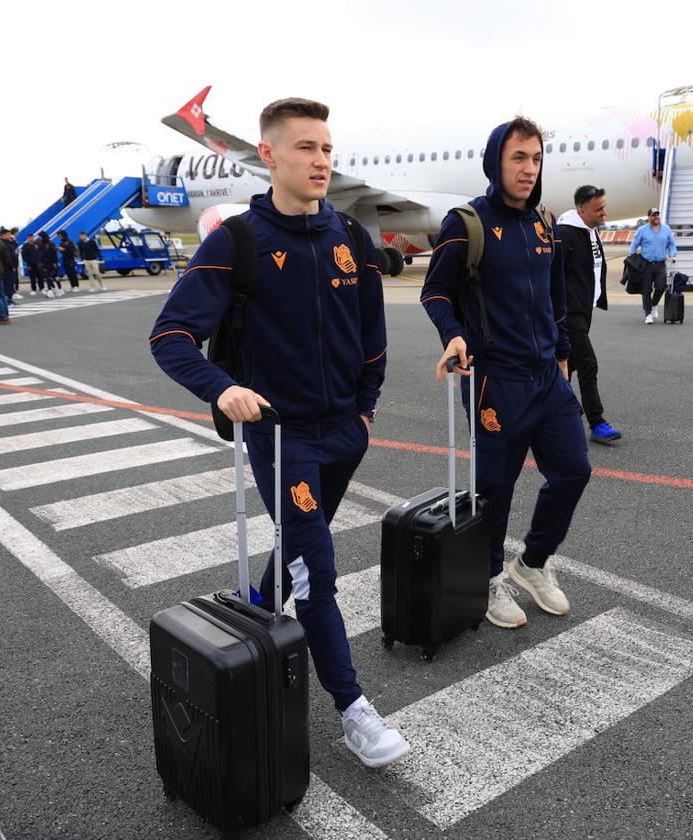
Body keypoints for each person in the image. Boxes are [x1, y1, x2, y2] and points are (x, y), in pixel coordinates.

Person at [149, 96, 409, 769]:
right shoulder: (236, 241)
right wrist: (223, 388)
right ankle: (353, 710)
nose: (321, 160)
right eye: (305, 148)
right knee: (318, 570)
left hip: (345, 435)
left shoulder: (353, 238)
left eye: (327, 148)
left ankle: (257, 608)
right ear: (268, 155)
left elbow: (374, 341)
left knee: (300, 549)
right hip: (281, 438)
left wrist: (365, 412)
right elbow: (171, 335)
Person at [421, 116, 592, 630]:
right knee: (496, 488)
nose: (529, 168)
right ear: (496, 160)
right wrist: (453, 333)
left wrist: (562, 352)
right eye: (519, 157)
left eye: (536, 158)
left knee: (574, 470)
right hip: (495, 379)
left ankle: (532, 563)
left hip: (547, 377)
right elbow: (435, 292)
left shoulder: (544, 223)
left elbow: (556, 296)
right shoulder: (466, 222)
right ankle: (489, 577)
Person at [558, 185, 621, 446]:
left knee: (567, 367)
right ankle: (597, 422)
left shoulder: (590, 231)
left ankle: (552, 417)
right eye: (599, 209)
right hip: (569, 313)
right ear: (582, 211)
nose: (604, 212)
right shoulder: (566, 234)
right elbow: (553, 276)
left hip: (584, 311)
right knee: (587, 363)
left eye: (604, 207)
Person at [627, 209, 676, 324]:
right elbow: (634, 244)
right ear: (649, 217)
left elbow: (672, 244)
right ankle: (648, 314)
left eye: (657, 215)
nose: (656, 217)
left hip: (660, 264)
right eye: (654, 215)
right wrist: (631, 256)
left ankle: (654, 305)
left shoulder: (666, 229)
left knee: (660, 287)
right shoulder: (642, 230)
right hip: (646, 264)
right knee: (646, 290)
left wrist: (672, 255)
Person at [1, 228, 23, 301]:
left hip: (12, 264)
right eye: (7, 234)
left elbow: (14, 250)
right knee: (7, 283)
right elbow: (7, 256)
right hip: (7, 266)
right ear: (3, 235)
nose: (9, 236)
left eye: (10, 234)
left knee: (11, 282)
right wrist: (11, 265)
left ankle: (10, 299)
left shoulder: (9, 242)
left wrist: (13, 241)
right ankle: (7, 299)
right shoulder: (2, 243)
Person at [37, 232, 60, 297]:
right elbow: (40, 254)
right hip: (45, 262)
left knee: (53, 277)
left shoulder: (50, 244)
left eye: (40, 236)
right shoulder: (42, 244)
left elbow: (54, 254)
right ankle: (53, 290)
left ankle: (55, 290)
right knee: (48, 277)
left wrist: (55, 262)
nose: (39, 238)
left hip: (50, 262)